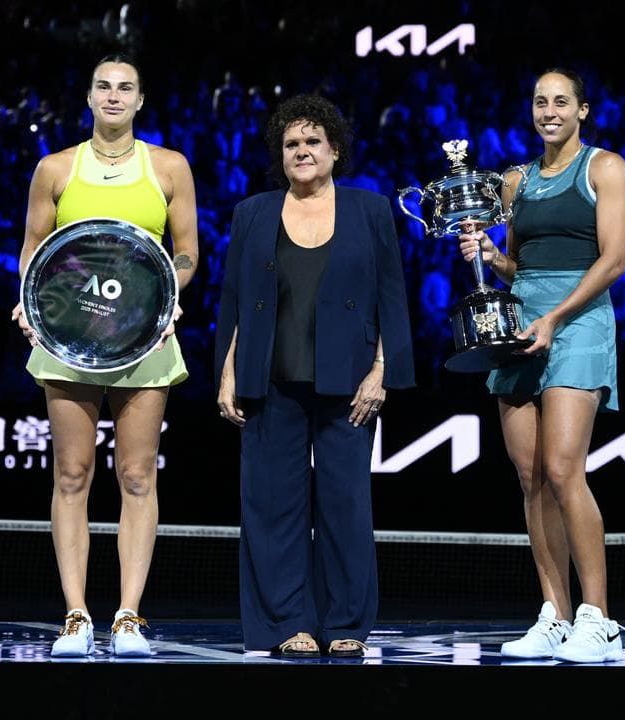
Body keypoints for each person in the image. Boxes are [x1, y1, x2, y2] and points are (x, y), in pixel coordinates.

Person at [214, 94, 414, 657]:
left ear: (335, 149)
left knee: (346, 506)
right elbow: (234, 300)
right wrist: (226, 373)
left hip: (349, 383)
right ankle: (286, 625)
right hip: (268, 379)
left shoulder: (371, 210)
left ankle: (345, 623)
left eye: (312, 142)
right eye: (291, 144)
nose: (302, 151)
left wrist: (383, 371)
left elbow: (391, 300)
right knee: (272, 508)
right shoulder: (252, 213)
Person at [12, 54, 198, 658]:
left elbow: (189, 253)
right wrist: (28, 301)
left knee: (137, 476)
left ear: (140, 100)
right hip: (70, 338)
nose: (114, 97)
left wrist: (169, 296)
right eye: (103, 87)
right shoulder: (55, 168)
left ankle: (127, 618)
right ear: (89, 97)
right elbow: (34, 248)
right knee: (72, 475)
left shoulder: (168, 167)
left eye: (126, 89)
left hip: (144, 339)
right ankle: (75, 616)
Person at [459, 68, 625, 662]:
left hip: (577, 321)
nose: (549, 110)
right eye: (540, 101)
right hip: (519, 325)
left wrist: (555, 317)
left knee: (563, 469)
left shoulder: (605, 168)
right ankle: (554, 614)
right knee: (530, 475)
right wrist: (491, 255)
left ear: (583, 110)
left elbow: (613, 261)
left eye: (562, 101)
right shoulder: (516, 181)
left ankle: (599, 618)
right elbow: (519, 267)